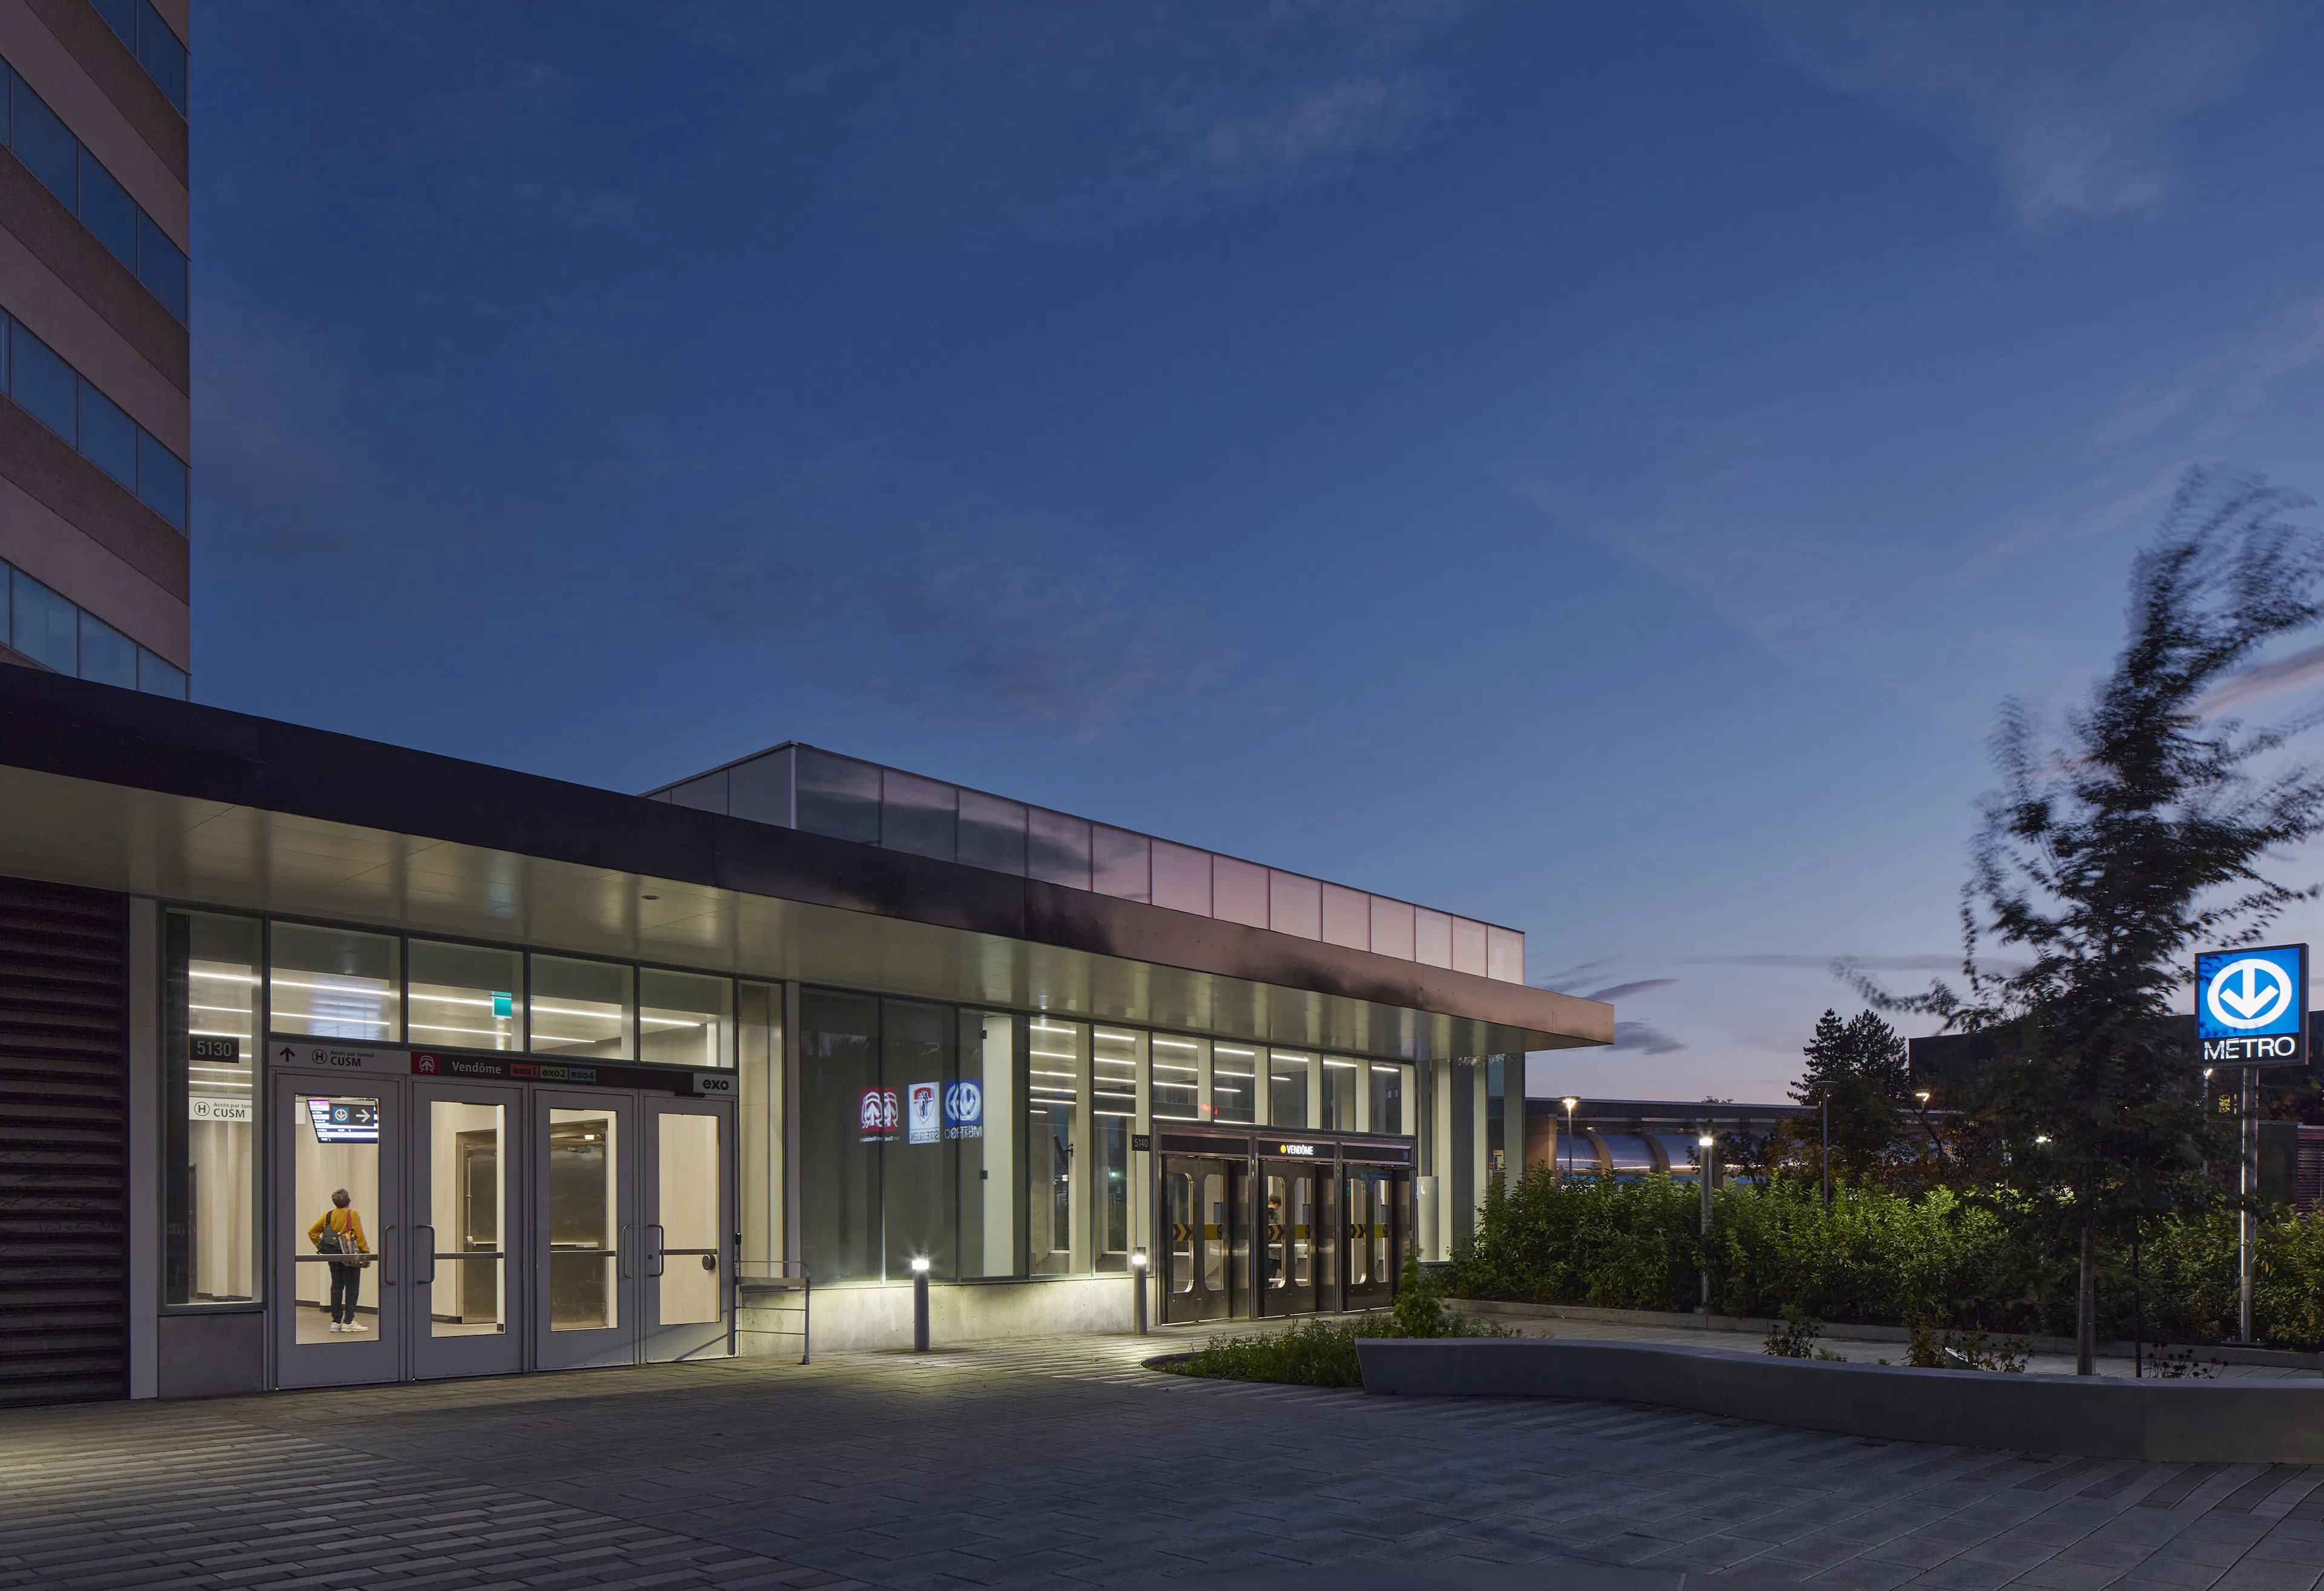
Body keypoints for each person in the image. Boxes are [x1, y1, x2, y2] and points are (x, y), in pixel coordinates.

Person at [307, 1189, 370, 1333]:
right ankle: (349, 1321)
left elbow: (312, 1232)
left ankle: (336, 1322)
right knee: (352, 1287)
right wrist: (366, 1253)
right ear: (348, 1201)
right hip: (349, 1256)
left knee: (336, 1286)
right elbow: (359, 1235)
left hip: (333, 1257)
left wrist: (321, 1246)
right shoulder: (352, 1214)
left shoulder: (328, 1216)